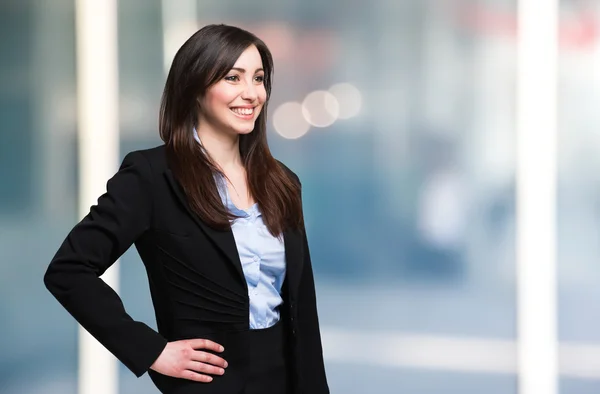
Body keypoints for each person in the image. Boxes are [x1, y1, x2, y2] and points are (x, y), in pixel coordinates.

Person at [43, 24, 329, 394]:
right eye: (232, 77)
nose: (251, 93)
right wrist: (152, 351)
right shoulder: (151, 177)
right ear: (195, 88)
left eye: (258, 79)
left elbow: (302, 310)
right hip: (207, 386)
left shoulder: (282, 182)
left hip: (286, 381)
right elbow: (69, 270)